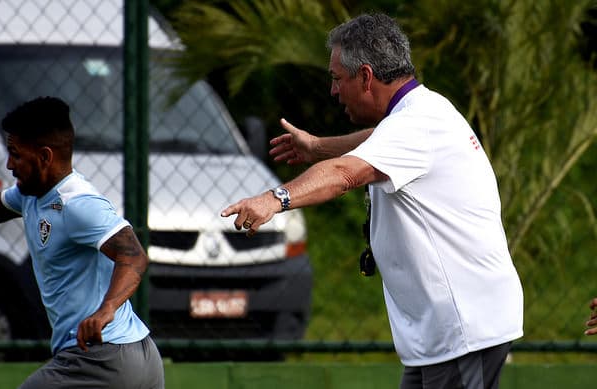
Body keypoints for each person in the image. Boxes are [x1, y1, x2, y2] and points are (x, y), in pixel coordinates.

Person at [221, 13, 523, 389]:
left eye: (337, 79)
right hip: (442, 333)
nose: (333, 91)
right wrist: (317, 147)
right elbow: (378, 139)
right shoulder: (417, 114)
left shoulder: (417, 124)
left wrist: (274, 198)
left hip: (464, 328)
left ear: (365, 76)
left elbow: (345, 174)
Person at [0, 97, 164, 389]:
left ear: (44, 156)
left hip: (101, 358)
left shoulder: (77, 203)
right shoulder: (32, 193)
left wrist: (106, 310)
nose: (9, 164)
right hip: (137, 356)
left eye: (15, 154)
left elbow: (133, 256)